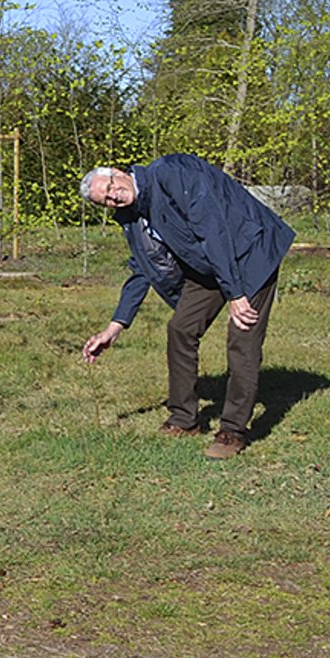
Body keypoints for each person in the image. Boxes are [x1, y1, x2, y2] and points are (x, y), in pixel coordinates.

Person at [79, 154, 294, 460]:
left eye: (111, 187)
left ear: (117, 172)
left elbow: (213, 229)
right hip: (210, 264)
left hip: (250, 250)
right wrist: (115, 327)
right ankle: (184, 419)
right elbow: (142, 269)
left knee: (242, 336)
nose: (114, 196)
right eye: (106, 201)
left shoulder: (171, 173)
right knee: (181, 328)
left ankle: (233, 430)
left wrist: (235, 293)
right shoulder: (131, 215)